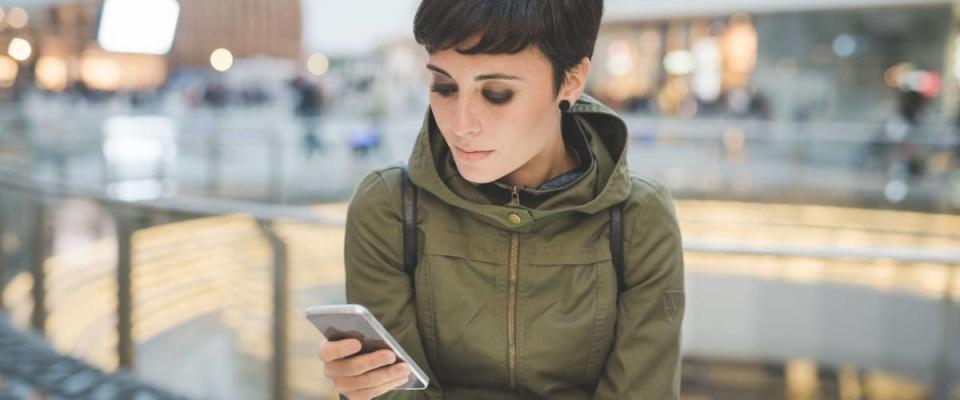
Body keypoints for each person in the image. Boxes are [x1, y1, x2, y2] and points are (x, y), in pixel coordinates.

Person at [319, 1, 686, 399]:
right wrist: (364, 388)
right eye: (444, 86)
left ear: (571, 80)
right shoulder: (389, 207)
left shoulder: (638, 218)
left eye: (496, 93)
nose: (461, 125)